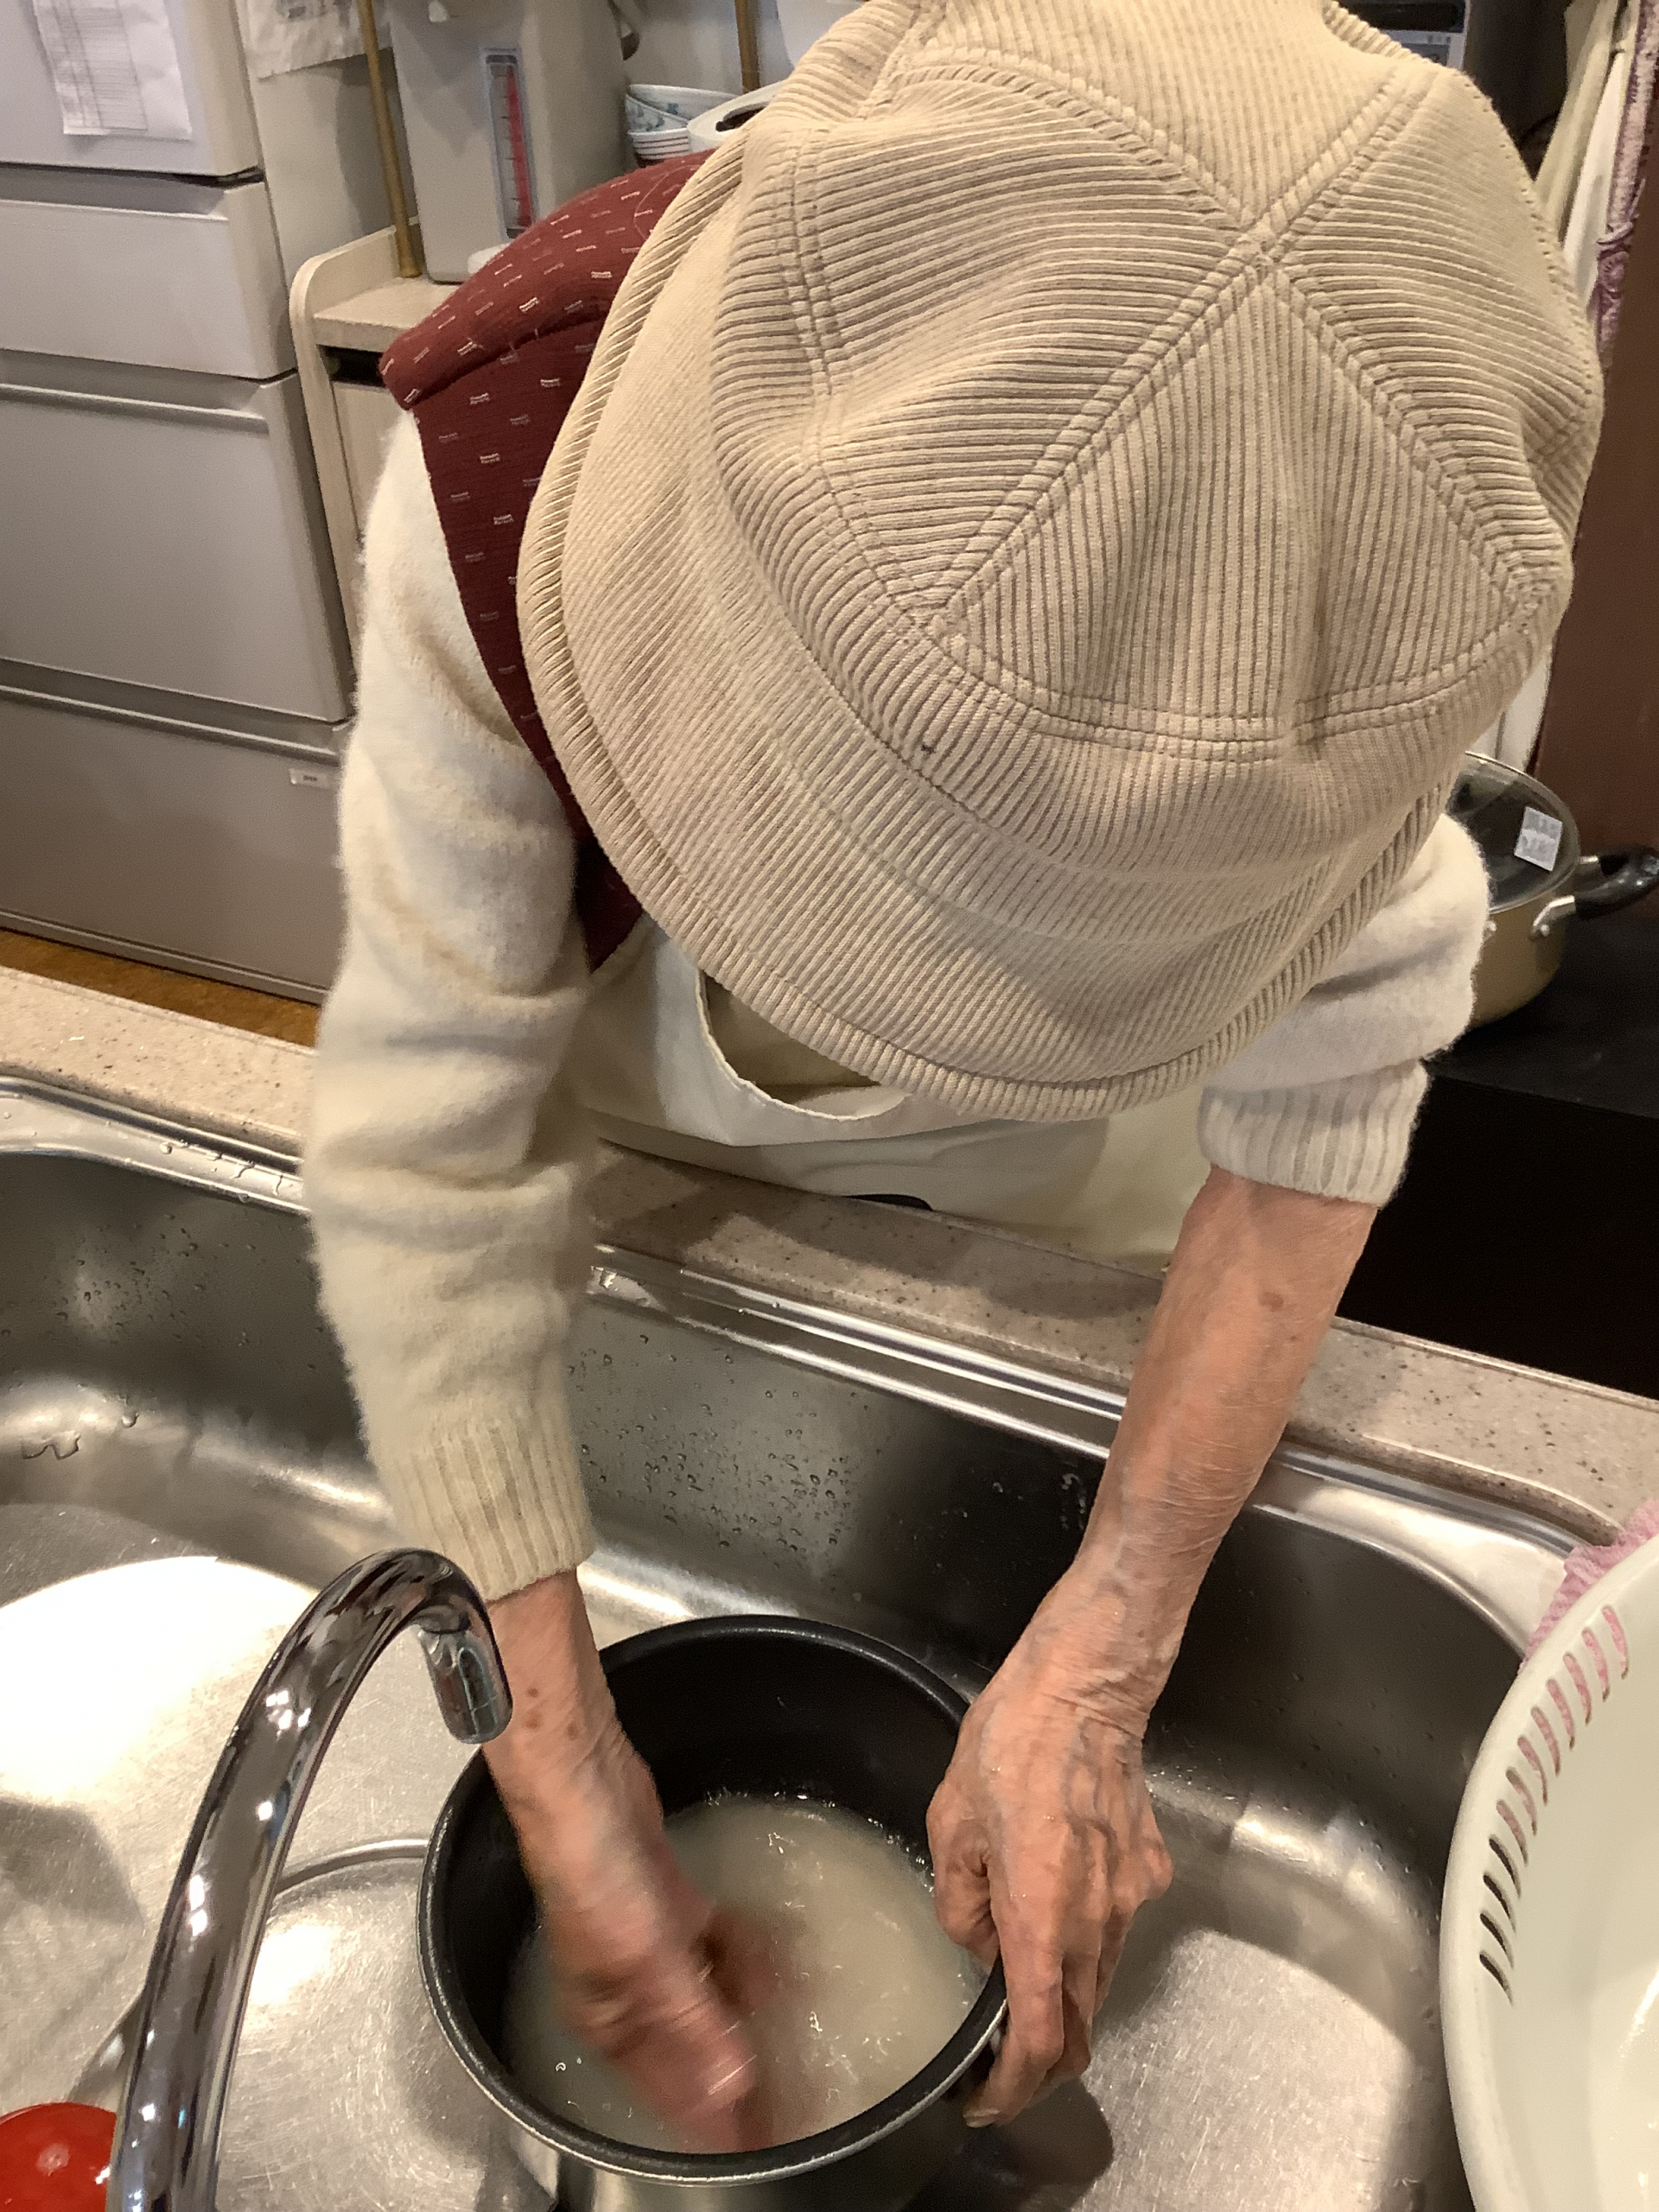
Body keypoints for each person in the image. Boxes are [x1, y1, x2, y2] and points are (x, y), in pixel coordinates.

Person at [306, 0, 1600, 2152]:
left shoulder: (1380, 533)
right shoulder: (514, 455)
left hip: (1088, 1196)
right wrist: (561, 1752)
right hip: (669, 1129)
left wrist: (1109, 1633)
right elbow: (434, 1134)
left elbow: (1341, 1057)